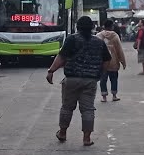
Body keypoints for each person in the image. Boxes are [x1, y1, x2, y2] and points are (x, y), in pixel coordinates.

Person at [47, 16, 111, 146]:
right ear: (92, 27)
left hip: (71, 79)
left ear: (77, 27)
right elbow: (107, 60)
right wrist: (100, 74)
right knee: (88, 109)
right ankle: (86, 138)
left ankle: (63, 133)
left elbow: (62, 57)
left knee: (67, 107)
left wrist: (51, 71)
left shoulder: (72, 39)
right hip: (90, 80)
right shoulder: (98, 42)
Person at [97, 19, 127, 102]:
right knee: (113, 79)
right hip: (113, 62)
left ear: (104, 26)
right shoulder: (115, 36)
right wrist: (123, 61)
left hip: (102, 62)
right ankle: (114, 95)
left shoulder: (99, 36)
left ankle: (104, 97)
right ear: (112, 26)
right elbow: (119, 50)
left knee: (103, 79)